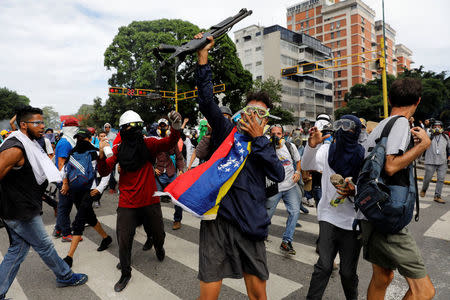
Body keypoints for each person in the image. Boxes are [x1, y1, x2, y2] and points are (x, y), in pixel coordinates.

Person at [193, 33, 284, 300]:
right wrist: (202, 57)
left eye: (261, 113)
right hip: (217, 222)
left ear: (266, 120)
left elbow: (278, 174)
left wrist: (260, 140)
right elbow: (206, 100)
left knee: (258, 293)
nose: (254, 116)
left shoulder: (265, 144)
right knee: (208, 293)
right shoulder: (225, 131)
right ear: (242, 112)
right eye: (250, 110)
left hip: (250, 223)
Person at [0, 106, 88, 299]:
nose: (42, 126)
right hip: (19, 210)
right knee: (45, 245)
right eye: (37, 123)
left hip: (22, 206)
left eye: (42, 122)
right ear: (24, 125)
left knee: (18, 250)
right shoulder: (15, 148)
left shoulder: (28, 141)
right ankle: (65, 276)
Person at [361, 78, 435, 300]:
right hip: (387, 213)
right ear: (418, 101)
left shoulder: (380, 126)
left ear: (390, 99)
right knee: (424, 291)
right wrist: (423, 145)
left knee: (382, 277)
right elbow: (391, 166)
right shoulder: (401, 124)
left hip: (370, 211)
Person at [97, 109, 182, 292]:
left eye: (138, 127)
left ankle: (159, 247)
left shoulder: (149, 143)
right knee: (124, 239)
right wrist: (101, 155)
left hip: (150, 200)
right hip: (127, 202)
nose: (135, 131)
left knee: (159, 234)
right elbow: (104, 171)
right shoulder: (117, 150)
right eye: (131, 127)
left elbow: (169, 142)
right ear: (123, 130)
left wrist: (175, 127)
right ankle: (125, 273)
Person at [302, 115, 365, 300]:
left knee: (347, 273)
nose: (344, 131)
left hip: (353, 222)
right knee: (324, 266)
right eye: (341, 127)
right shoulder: (328, 150)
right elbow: (306, 165)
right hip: (328, 215)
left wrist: (355, 190)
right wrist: (311, 146)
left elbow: (369, 184)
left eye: (349, 128)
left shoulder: (363, 155)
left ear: (357, 132)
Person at [60, 129, 112, 268]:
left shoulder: (96, 152)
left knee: (79, 221)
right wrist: (65, 183)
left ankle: (69, 257)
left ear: (90, 139)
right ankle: (106, 238)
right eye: (79, 138)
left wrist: (100, 188)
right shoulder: (73, 152)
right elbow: (65, 170)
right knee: (89, 217)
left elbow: (106, 172)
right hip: (75, 191)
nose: (80, 141)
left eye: (83, 138)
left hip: (90, 192)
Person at [265, 124, 302, 255]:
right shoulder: (267, 148)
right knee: (267, 214)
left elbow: (298, 161)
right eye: (273, 134)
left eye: (278, 134)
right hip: (274, 187)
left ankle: (287, 241)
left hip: (290, 185)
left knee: (295, 212)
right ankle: (262, 234)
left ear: (283, 135)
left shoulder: (290, 146)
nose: (276, 136)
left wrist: (297, 172)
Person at [154, 118, 186, 230]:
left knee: (177, 198)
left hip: (171, 174)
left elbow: (179, 157)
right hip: (158, 176)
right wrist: (153, 169)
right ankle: (155, 221)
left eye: (165, 126)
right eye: (160, 126)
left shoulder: (173, 141)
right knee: (153, 200)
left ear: (168, 127)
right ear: (157, 128)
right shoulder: (154, 141)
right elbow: (146, 158)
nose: (162, 128)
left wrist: (181, 170)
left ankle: (177, 220)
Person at [53, 117, 79, 242]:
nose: (77, 129)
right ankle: (66, 233)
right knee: (64, 207)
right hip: (64, 180)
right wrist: (65, 183)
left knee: (65, 206)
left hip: (67, 179)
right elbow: (61, 164)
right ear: (71, 128)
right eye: (76, 127)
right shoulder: (65, 143)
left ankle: (58, 229)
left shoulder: (69, 141)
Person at [420, 120, 450, 204]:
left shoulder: (445, 137)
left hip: (442, 162)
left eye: (439, 127)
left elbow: (449, 148)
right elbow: (423, 138)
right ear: (432, 127)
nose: (437, 128)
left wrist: (449, 156)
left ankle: (437, 196)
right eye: (435, 127)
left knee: (441, 179)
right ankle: (424, 189)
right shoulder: (429, 135)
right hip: (430, 161)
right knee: (427, 178)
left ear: (442, 128)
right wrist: (429, 130)